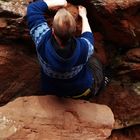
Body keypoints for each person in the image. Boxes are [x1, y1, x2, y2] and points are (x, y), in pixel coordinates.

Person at [27, 0, 104, 99]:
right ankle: (101, 84)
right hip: (80, 90)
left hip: (51, 90)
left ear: (53, 30)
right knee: (95, 61)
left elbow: (33, 8)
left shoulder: (41, 38)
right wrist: (84, 16)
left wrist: (61, 2)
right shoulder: (83, 49)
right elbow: (88, 35)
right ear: (74, 32)